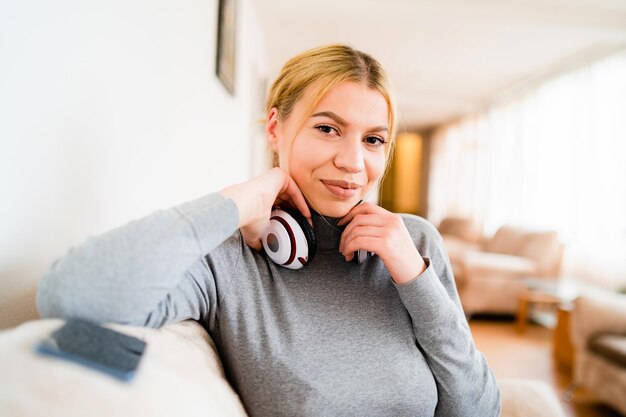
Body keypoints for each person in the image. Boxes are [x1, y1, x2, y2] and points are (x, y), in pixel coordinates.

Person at [37, 44, 500, 416]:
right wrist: (239, 201)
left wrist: (417, 279)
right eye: (328, 129)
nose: (353, 162)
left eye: (373, 139)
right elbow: (69, 296)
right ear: (275, 128)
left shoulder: (414, 243)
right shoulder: (228, 256)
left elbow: (478, 410)